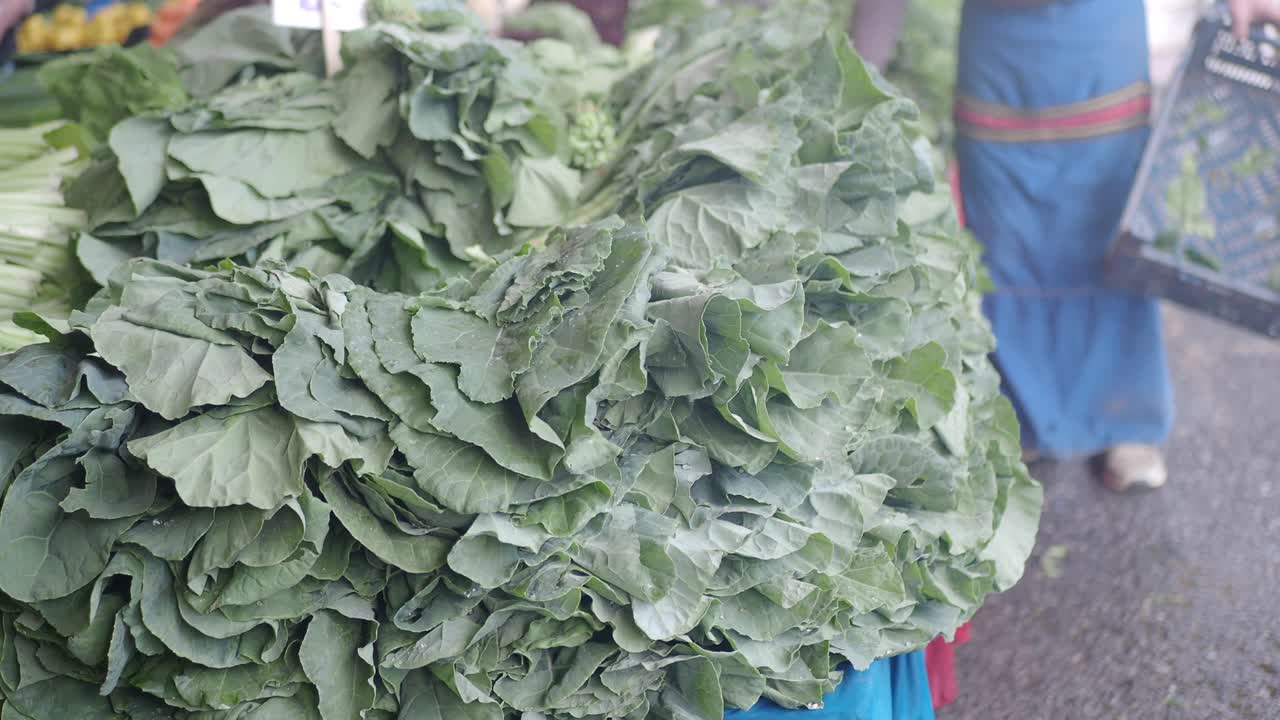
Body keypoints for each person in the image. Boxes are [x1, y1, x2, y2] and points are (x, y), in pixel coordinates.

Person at [854, 0, 1280, 492]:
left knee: (1107, 238)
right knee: (1007, 243)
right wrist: (861, 74)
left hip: (1096, 49)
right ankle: (1022, 417)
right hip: (998, 62)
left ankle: (1126, 422)